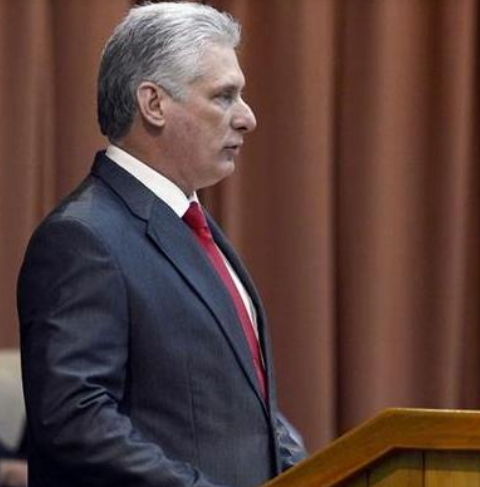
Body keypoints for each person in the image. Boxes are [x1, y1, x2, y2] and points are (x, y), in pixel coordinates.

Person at [17, 3, 306, 487]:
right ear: (153, 104)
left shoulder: (191, 225)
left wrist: (309, 471)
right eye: (224, 96)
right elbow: (77, 422)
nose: (248, 118)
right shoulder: (82, 238)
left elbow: (239, 405)